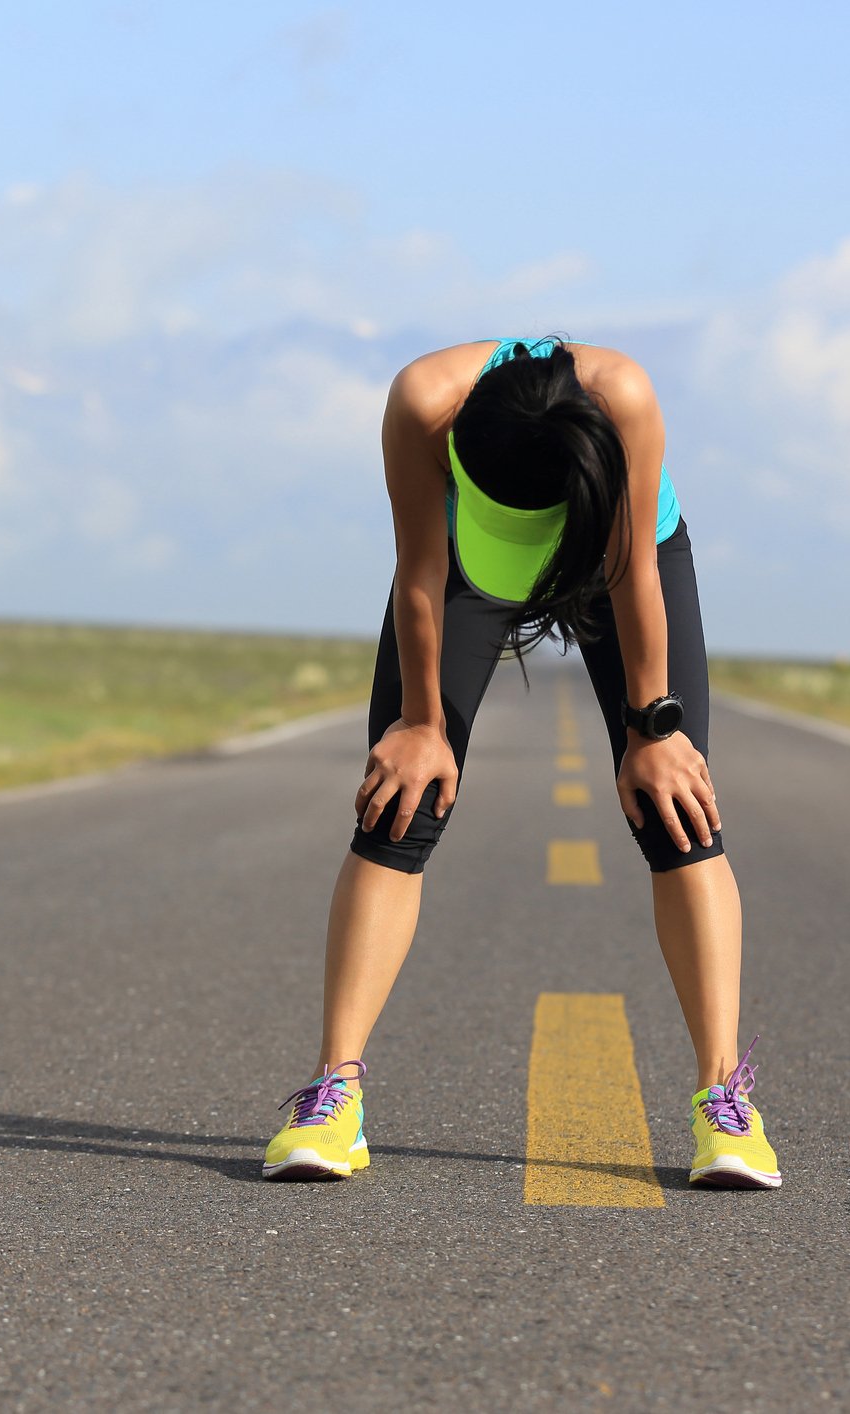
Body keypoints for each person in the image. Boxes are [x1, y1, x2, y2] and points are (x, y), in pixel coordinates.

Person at [261, 335, 781, 1189]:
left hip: (621, 558)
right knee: (400, 801)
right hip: (466, 566)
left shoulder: (626, 398)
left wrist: (653, 732)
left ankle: (724, 1103)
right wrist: (421, 723)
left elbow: (631, 573)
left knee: (677, 808)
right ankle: (333, 1095)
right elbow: (420, 571)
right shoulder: (422, 400)